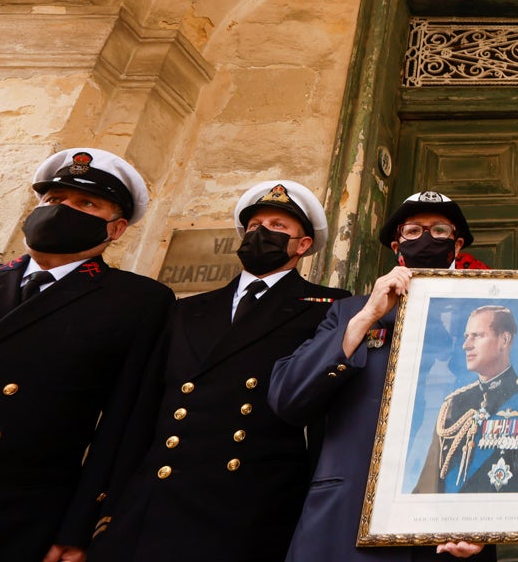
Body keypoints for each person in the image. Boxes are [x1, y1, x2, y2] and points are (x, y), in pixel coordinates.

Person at [87, 181, 350, 562]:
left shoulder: (328, 307)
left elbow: (328, 418)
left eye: (278, 227)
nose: (261, 234)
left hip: (251, 505)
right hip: (156, 501)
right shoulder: (187, 309)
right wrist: (112, 502)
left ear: (303, 245)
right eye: (255, 226)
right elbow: (145, 409)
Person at [268, 190, 497, 561]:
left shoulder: (494, 315)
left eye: (439, 230)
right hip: (351, 522)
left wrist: (493, 515)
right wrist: (366, 317)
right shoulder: (349, 313)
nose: (426, 238)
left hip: (455, 528)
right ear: (396, 246)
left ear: (457, 245)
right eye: (413, 231)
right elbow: (288, 399)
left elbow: (515, 414)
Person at [0, 148, 172, 562]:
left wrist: (81, 524)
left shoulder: (137, 301)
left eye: (85, 203)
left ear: (117, 228)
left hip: (24, 510)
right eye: (53, 200)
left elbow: (124, 423)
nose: (62, 210)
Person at [414, 304, 518, 494]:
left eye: (477, 336)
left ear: (504, 340)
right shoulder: (453, 404)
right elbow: (427, 487)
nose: (466, 345)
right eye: (466, 337)